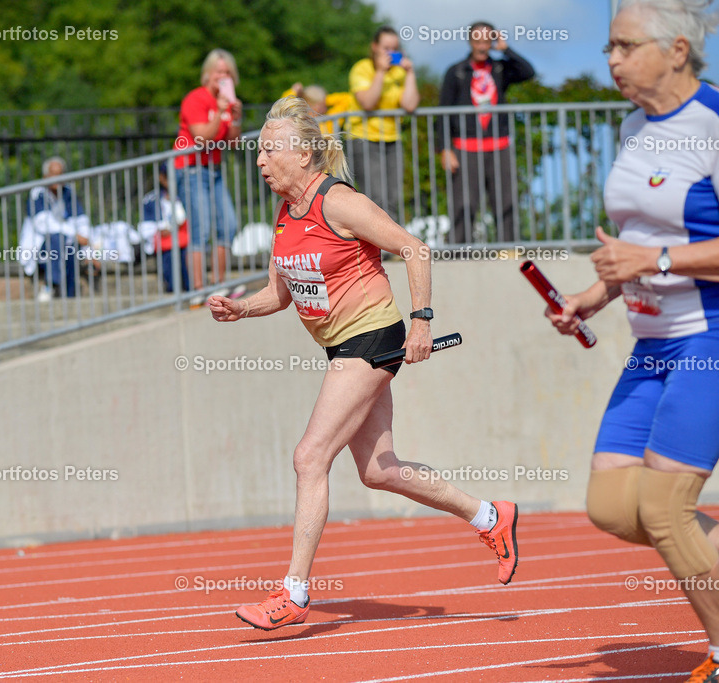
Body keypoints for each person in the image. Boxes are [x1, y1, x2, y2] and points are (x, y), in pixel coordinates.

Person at [209, 96, 518, 631]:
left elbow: (415, 248)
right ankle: (490, 515)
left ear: (305, 154)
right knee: (378, 470)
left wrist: (421, 321)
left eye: (269, 150)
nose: (259, 161)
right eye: (257, 152)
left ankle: (295, 592)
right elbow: (278, 295)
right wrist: (240, 308)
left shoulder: (339, 201)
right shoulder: (285, 214)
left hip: (369, 340)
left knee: (309, 458)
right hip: (342, 346)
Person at [548, 3, 719, 681]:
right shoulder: (631, 126)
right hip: (650, 344)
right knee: (613, 503)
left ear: (676, 49)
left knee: (665, 506)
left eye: (623, 46)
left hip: (707, 337)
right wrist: (596, 293)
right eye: (606, 48)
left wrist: (654, 264)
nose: (611, 60)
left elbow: (655, 253)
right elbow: (635, 246)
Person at [436, 22, 534, 245]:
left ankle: (507, 249)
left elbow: (528, 72)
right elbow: (442, 113)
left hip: (499, 146)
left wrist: (506, 50)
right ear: (470, 42)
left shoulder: (500, 68)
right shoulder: (456, 72)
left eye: (486, 41)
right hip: (465, 147)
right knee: (464, 203)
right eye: (477, 41)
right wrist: (445, 149)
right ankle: (460, 251)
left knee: (505, 200)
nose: (482, 46)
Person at [174, 49, 242, 296]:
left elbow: (233, 142)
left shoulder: (226, 103)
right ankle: (199, 289)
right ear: (208, 74)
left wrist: (234, 118)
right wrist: (220, 111)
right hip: (191, 169)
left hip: (212, 170)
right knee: (200, 229)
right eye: (219, 71)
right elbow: (202, 137)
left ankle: (218, 284)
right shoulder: (196, 98)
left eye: (227, 72)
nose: (223, 76)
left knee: (228, 225)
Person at [347, 27, 420, 223]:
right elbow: (368, 102)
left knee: (394, 198)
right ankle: (376, 249)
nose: (390, 52)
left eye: (394, 48)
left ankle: (390, 247)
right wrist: (380, 72)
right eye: (386, 48)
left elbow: (410, 105)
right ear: (374, 47)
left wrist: (410, 73)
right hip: (364, 139)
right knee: (375, 197)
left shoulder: (399, 73)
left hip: (392, 139)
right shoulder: (362, 68)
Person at [18, 156, 95, 298]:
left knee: (71, 246)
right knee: (57, 239)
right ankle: (51, 285)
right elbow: (44, 224)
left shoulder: (68, 193)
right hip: (42, 250)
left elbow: (81, 221)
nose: (57, 178)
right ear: (45, 176)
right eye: (53, 174)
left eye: (60, 174)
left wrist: (91, 251)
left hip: (65, 248)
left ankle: (69, 294)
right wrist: (74, 234)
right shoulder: (37, 194)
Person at [139, 163, 191, 293]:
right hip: (165, 243)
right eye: (168, 176)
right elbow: (146, 227)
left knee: (187, 252)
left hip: (185, 239)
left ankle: (190, 287)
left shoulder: (186, 195)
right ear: (161, 177)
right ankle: (173, 289)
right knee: (170, 254)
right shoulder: (151, 199)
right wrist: (163, 229)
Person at [282, 83, 355, 134]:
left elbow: (347, 99)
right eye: (319, 104)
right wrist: (295, 92)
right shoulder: (299, 119)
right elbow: (283, 104)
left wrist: (325, 100)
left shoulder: (329, 120)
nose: (324, 107)